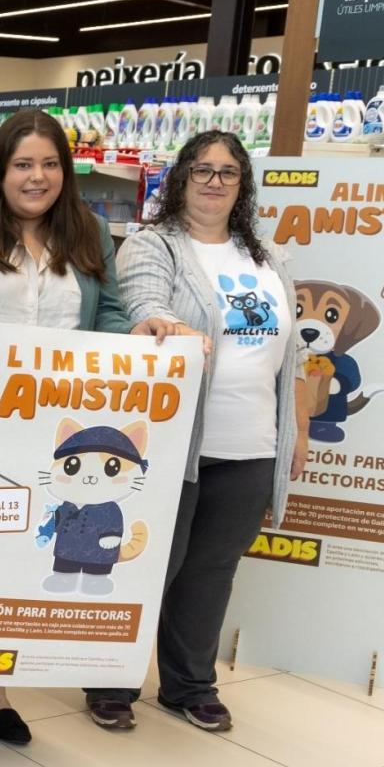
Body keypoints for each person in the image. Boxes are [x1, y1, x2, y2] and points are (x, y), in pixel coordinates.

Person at [0, 109, 134, 747]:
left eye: (49, 164)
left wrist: (143, 341)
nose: (36, 177)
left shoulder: (88, 232)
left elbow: (110, 316)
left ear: (64, 171)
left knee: (21, 556)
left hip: (59, 437)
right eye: (22, 164)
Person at [85, 130, 307, 733]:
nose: (214, 180)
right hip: (174, 441)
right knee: (153, 563)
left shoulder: (264, 254)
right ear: (180, 177)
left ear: (242, 185)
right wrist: (161, 323)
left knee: (212, 569)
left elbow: (292, 353)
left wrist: (297, 429)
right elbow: (142, 303)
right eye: (203, 169)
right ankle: (112, 680)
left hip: (251, 441)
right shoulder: (155, 244)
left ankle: (189, 684)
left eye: (228, 172)